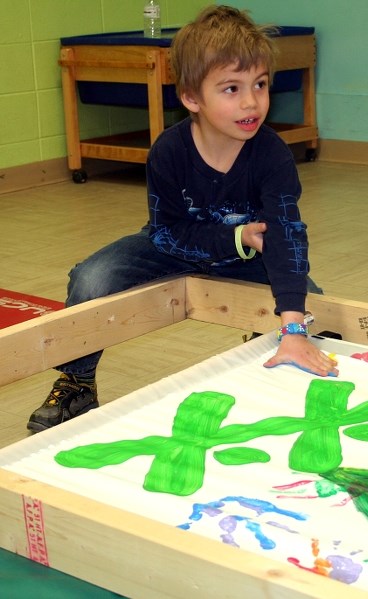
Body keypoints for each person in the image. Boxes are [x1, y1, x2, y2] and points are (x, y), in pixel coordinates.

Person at [27, 5, 338, 433]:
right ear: (192, 97)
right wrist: (236, 237)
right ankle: (77, 380)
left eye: (260, 85)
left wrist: (293, 325)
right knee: (92, 278)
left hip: (248, 256)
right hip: (174, 246)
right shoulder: (169, 151)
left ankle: (266, 356)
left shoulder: (271, 155)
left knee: (311, 306)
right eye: (231, 88)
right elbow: (167, 232)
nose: (251, 101)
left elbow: (286, 235)